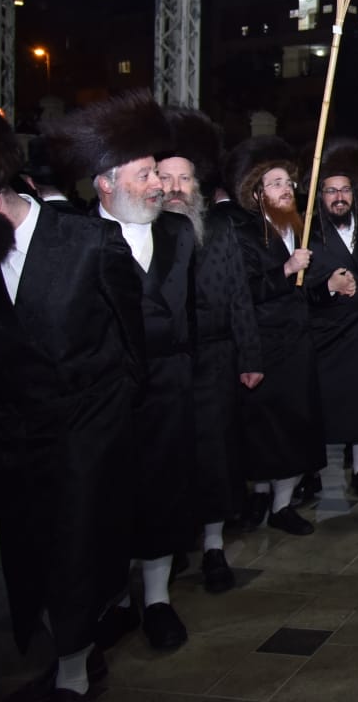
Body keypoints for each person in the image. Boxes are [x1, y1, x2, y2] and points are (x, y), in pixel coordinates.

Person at [0, 92, 144, 699]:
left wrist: (110, 423)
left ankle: (75, 678)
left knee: (75, 557)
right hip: (12, 444)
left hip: (86, 432)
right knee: (29, 560)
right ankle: (71, 654)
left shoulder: (89, 244)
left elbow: (133, 347)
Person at [45, 90, 198, 652]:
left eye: (159, 172)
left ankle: (156, 599)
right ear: (106, 182)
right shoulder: (74, 239)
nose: (160, 184)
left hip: (169, 389)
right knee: (104, 505)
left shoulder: (181, 235)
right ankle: (106, 601)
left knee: (162, 496)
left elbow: (194, 314)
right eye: (146, 174)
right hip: (103, 399)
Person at [160, 107, 261, 593]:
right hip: (161, 369)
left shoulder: (218, 229)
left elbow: (240, 294)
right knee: (170, 458)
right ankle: (171, 543)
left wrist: (250, 358)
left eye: (185, 177)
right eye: (167, 177)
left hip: (217, 360)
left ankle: (215, 545)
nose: (177, 186)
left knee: (217, 454)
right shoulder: (139, 232)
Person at [223, 135, 326, 536]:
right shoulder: (243, 233)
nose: (287, 190)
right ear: (257, 192)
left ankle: (283, 505)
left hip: (298, 345)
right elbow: (241, 290)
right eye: (277, 183)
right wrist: (284, 271)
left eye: (288, 183)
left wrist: (327, 286)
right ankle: (259, 496)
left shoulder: (299, 230)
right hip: (262, 344)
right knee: (263, 429)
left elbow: (306, 291)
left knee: (294, 428)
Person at [304, 137, 358, 498]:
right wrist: (329, 288)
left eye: (345, 190)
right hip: (327, 333)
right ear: (320, 196)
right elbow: (298, 290)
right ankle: (322, 471)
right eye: (330, 191)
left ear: (354, 195)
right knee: (329, 406)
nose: (339, 197)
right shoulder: (308, 232)